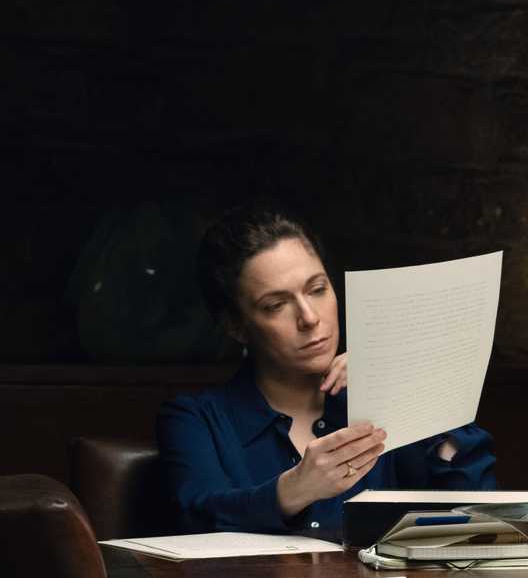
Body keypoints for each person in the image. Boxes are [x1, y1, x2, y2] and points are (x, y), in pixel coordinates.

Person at [158, 202, 496, 539]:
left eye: (317, 289)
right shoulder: (197, 419)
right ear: (236, 326)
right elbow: (195, 516)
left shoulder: (389, 406)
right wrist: (295, 489)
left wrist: (408, 376)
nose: (309, 317)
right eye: (276, 305)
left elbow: (476, 516)